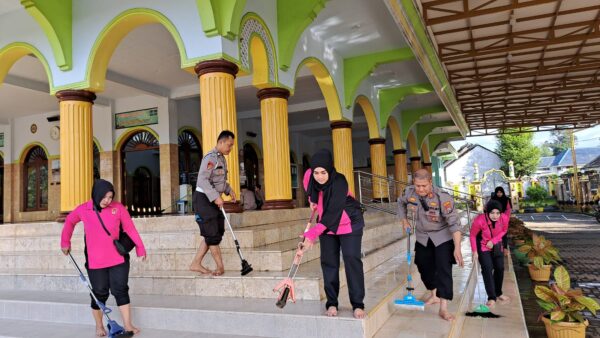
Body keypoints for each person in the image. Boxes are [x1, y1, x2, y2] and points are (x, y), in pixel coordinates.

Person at [61, 179, 147, 337]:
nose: (107, 201)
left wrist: (140, 248)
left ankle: (128, 325)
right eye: (105, 197)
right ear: (97, 194)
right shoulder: (84, 209)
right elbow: (69, 221)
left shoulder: (118, 208)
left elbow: (130, 228)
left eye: (110, 197)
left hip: (118, 258)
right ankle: (99, 326)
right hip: (96, 261)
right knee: (99, 293)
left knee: (120, 290)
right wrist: (65, 242)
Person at [301, 149, 366, 319]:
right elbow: (309, 186)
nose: (320, 176)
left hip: (348, 221)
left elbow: (332, 214)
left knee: (352, 259)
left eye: (323, 172)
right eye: (316, 172)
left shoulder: (340, 182)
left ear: (330, 169)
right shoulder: (309, 175)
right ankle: (332, 302)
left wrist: (311, 235)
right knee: (328, 262)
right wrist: (312, 200)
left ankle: (357, 304)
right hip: (327, 225)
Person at [398, 169, 464, 321]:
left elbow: (454, 224)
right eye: (417, 186)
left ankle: (443, 308)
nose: (420, 189)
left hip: (442, 236)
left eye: (424, 186)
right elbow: (400, 203)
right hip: (422, 236)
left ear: (430, 182)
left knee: (443, 269)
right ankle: (433, 295)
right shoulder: (409, 192)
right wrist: (404, 220)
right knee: (422, 264)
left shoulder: (442, 197)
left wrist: (457, 248)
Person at [190, 130, 237, 276]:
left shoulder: (221, 159)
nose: (230, 148)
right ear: (221, 142)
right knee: (212, 233)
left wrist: (229, 190)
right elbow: (202, 180)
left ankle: (195, 263)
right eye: (229, 145)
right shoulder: (210, 158)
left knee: (215, 232)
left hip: (212, 200)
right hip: (204, 199)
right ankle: (220, 267)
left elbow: (218, 180)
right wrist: (216, 197)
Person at [470, 199, 510, 306]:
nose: (495, 216)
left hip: (496, 245)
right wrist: (474, 251)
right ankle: (491, 297)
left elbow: (504, 231)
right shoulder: (479, 220)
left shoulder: (504, 218)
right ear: (487, 212)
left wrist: (493, 241)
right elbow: (473, 235)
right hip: (483, 247)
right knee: (487, 269)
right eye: (492, 213)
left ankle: (498, 293)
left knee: (500, 268)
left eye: (498, 213)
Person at [490, 186, 512, 255]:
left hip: (503, 220)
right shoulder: (493, 199)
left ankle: (505, 249)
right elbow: (488, 208)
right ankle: (496, 249)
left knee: (504, 234)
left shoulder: (506, 199)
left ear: (503, 192)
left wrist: (505, 219)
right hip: (494, 220)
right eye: (498, 192)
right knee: (495, 234)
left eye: (500, 192)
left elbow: (508, 210)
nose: (499, 194)